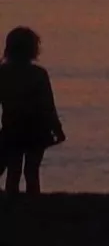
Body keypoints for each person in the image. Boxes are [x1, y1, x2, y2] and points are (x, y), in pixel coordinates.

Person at [0, 27, 67, 196]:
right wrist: (57, 129)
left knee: (13, 171)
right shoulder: (38, 74)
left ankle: (12, 203)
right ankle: (33, 203)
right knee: (32, 172)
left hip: (11, 128)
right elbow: (48, 106)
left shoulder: (3, 73)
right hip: (36, 130)